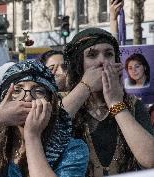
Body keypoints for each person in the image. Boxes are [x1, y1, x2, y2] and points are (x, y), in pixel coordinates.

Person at [63, 27, 154, 176]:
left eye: (109, 54)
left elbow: (150, 159)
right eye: (92, 55)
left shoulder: (132, 104)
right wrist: (85, 87)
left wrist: (114, 102)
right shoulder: (61, 100)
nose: (102, 62)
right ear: (79, 64)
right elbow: (49, 129)